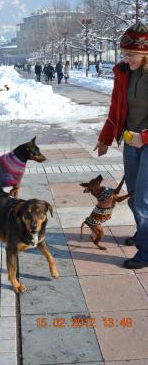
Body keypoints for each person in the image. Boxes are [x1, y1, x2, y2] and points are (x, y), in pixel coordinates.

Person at [94, 22, 148, 269]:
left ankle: (146, 252)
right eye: (124, 54)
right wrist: (106, 137)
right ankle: (144, 233)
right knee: (134, 195)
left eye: (131, 54)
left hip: (146, 143)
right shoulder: (124, 74)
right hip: (130, 142)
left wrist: (144, 138)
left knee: (143, 200)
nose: (126, 59)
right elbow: (115, 109)